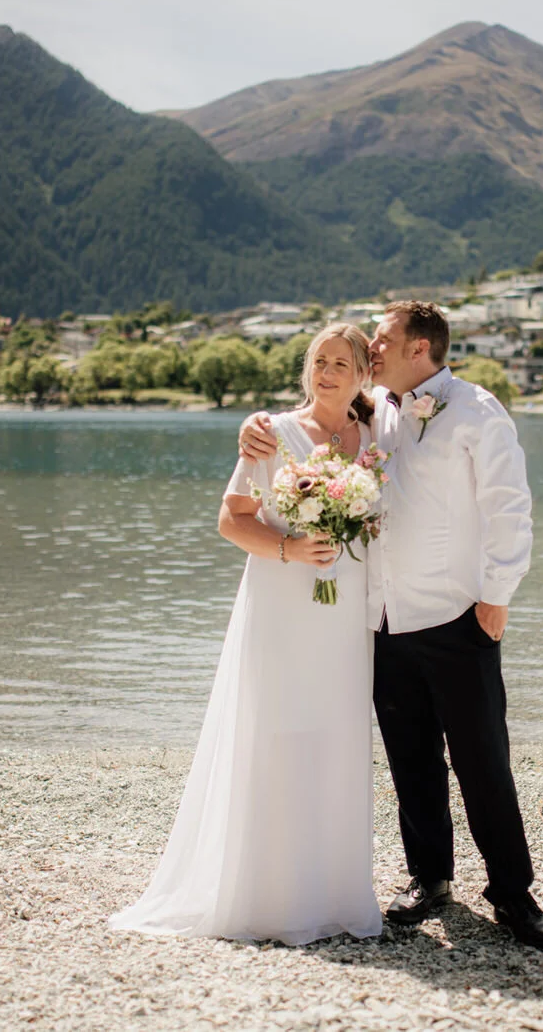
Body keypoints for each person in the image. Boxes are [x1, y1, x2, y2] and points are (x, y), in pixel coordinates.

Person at [238, 301, 543, 950]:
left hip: (457, 616)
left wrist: (497, 595)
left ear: (419, 348)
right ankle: (429, 878)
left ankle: (513, 892)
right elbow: (316, 418)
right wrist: (256, 427)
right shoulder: (376, 409)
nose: (371, 348)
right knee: (412, 759)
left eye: (381, 339)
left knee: (481, 759)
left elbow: (510, 506)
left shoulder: (475, 410)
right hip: (382, 619)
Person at [109, 323, 383, 945]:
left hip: (343, 615)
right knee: (276, 728)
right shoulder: (274, 434)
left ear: (364, 374)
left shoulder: (373, 438)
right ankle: (269, 896)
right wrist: (289, 547)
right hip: (281, 603)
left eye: (342, 362)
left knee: (337, 733)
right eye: (319, 361)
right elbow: (231, 520)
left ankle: (334, 894)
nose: (327, 372)